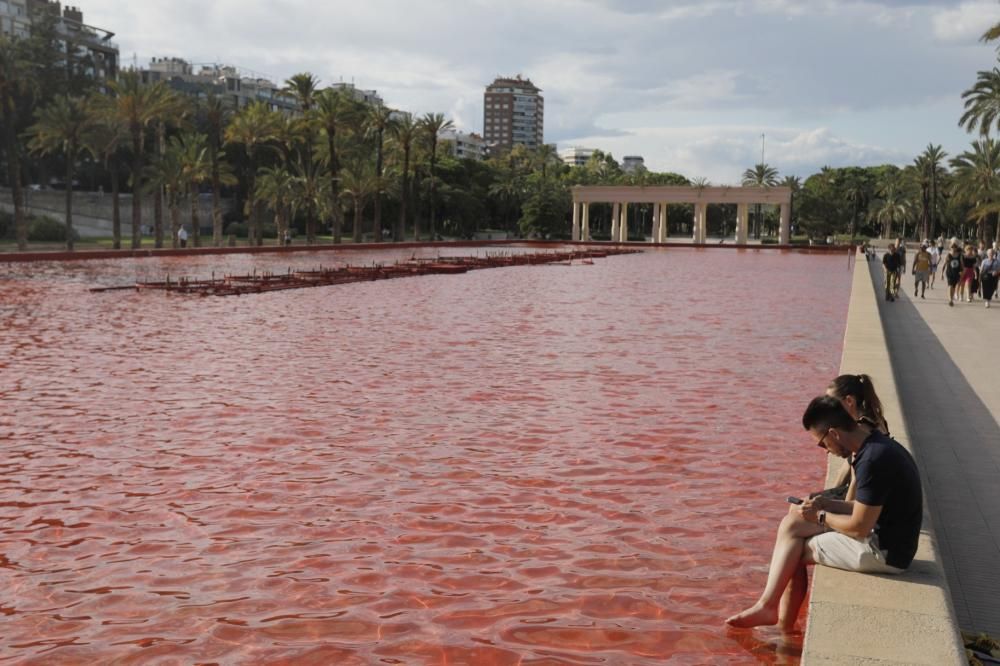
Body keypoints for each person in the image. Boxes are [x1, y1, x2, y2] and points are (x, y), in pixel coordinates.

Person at [725, 396, 923, 630]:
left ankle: (778, 622)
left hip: (885, 554)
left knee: (793, 554)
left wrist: (820, 516)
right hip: (891, 540)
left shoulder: (872, 461)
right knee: (792, 523)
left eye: (822, 443)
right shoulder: (877, 446)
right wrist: (826, 505)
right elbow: (865, 509)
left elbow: (860, 526)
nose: (826, 451)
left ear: (834, 433)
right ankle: (769, 609)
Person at [824, 374, 890, 500]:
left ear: (849, 401)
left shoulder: (863, 430)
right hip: (871, 491)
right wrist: (830, 494)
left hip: (869, 496)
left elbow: (856, 483)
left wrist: (832, 503)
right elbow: (848, 465)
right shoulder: (873, 418)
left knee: (797, 511)